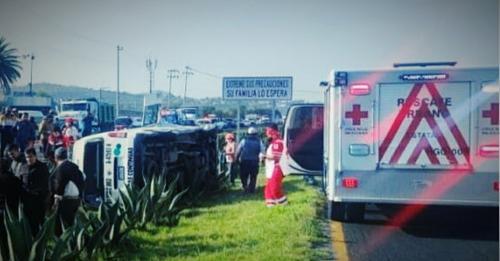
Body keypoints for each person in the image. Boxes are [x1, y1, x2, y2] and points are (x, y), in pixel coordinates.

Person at [51, 147, 85, 234]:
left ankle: (63, 243)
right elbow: (83, 179)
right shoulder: (75, 167)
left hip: (65, 200)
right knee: (72, 222)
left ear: (56, 157)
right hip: (76, 199)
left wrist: (55, 201)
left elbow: (58, 186)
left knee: (61, 224)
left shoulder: (60, 169)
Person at [22, 147, 50, 236]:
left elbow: (46, 184)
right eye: (27, 157)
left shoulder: (42, 167)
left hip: (39, 200)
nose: (28, 159)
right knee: (30, 223)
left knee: (40, 221)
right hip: (27, 200)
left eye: (30, 157)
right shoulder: (24, 167)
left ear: (35, 156)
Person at [263, 123, 287, 207]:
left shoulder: (277, 142)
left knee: (274, 188)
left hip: (277, 168)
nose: (266, 133)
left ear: (271, 131)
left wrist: (264, 156)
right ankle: (271, 205)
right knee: (268, 189)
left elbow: (276, 157)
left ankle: (284, 204)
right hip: (272, 168)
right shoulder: (274, 142)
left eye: (267, 131)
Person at [235, 127, 264, 193]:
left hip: (244, 161)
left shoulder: (243, 141)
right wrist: (262, 160)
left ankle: (245, 187)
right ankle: (252, 189)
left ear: (248, 134)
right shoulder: (259, 141)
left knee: (243, 175)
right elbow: (262, 152)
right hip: (254, 161)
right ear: (256, 134)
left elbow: (238, 151)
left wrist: (236, 159)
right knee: (253, 176)